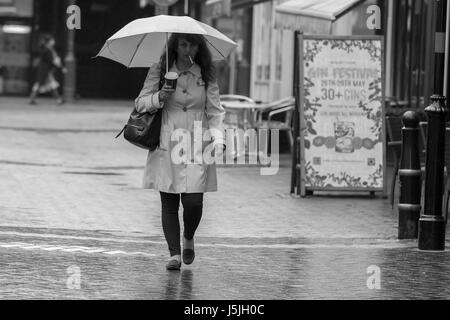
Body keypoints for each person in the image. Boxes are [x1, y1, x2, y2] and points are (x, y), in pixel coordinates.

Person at [135, 33, 226, 270]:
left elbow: (215, 111)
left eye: (192, 45)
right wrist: (159, 97)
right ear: (174, 46)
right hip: (168, 139)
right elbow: (140, 103)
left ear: (198, 47)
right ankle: (174, 254)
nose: (187, 49)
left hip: (198, 140)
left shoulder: (206, 73)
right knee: (169, 200)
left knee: (194, 202)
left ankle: (189, 236)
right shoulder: (160, 70)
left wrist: (218, 139)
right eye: (183, 44)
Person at [29, 35, 67, 105]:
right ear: (49, 42)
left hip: (46, 71)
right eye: (52, 40)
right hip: (44, 70)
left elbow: (54, 60)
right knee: (41, 84)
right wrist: (61, 68)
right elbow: (53, 60)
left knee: (50, 85)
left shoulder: (48, 49)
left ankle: (58, 100)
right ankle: (32, 99)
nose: (54, 41)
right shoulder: (47, 50)